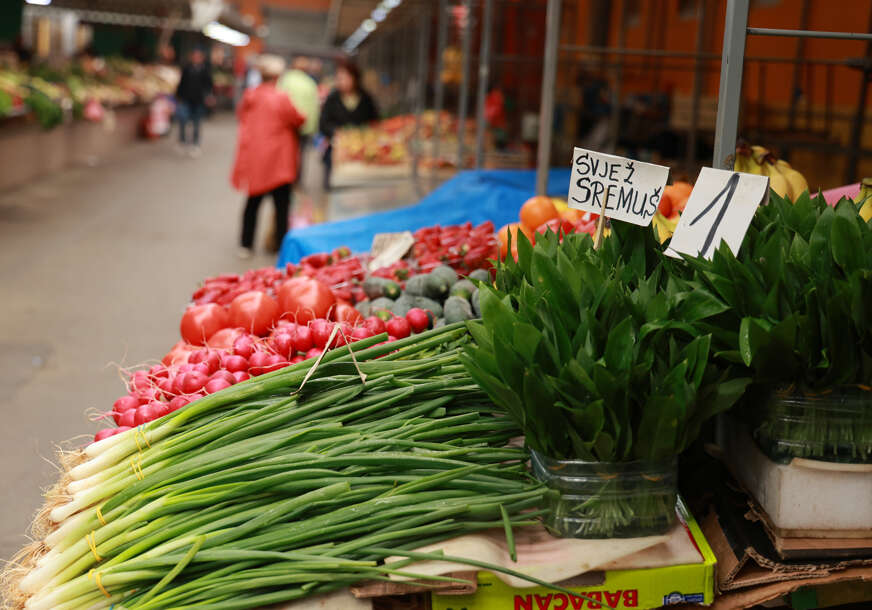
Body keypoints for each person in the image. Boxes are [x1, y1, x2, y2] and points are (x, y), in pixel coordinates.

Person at [231, 55, 306, 259]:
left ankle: (245, 244)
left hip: (256, 158)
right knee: (281, 206)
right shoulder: (281, 98)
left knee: (252, 203)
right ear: (277, 76)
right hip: (279, 160)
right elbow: (299, 119)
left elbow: (241, 117)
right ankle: (281, 246)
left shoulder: (250, 96)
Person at [318, 61, 378, 189]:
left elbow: (374, 122)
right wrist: (335, 132)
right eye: (338, 78)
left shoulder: (366, 98)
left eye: (344, 78)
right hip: (336, 150)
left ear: (354, 78)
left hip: (361, 151)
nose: (341, 82)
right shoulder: (332, 99)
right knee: (333, 185)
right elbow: (323, 123)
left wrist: (363, 134)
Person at [277, 56, 320, 179]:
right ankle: (297, 180)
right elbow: (314, 108)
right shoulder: (310, 83)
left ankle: (284, 179)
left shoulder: (285, 80)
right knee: (300, 155)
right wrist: (312, 128)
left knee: (285, 154)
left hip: (287, 126)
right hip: (305, 127)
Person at [175, 48, 213, 156]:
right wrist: (178, 96)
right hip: (186, 99)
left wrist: (209, 96)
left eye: (198, 56)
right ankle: (182, 140)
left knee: (197, 122)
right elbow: (181, 83)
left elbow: (209, 85)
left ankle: (195, 144)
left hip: (199, 100)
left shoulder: (205, 70)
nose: (196, 58)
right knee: (182, 119)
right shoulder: (187, 69)